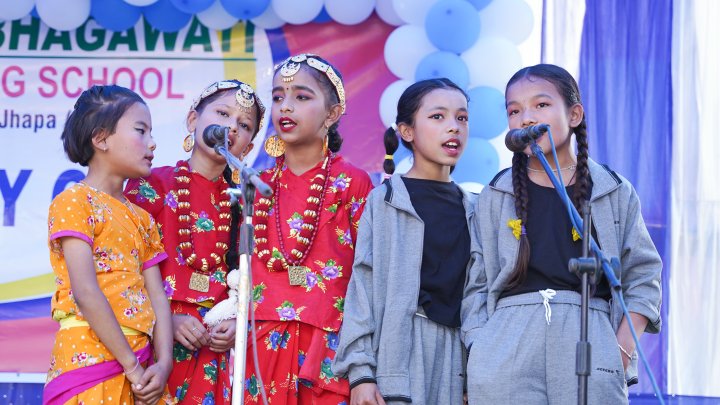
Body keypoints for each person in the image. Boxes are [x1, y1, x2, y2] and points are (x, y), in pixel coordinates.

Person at [462, 64, 662, 404]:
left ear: (574, 114)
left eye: (541, 104)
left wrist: (620, 350)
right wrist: (482, 346)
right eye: (514, 110)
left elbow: (643, 275)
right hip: (506, 343)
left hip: (590, 335)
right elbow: (476, 284)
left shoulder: (612, 190)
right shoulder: (496, 194)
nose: (526, 118)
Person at [333, 78, 477, 405]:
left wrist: (477, 373)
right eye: (438, 116)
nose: (453, 127)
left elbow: (479, 298)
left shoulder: (475, 208)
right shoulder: (385, 201)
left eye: (462, 118)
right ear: (407, 131)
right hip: (397, 360)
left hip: (456, 365)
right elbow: (363, 287)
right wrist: (361, 373)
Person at [124, 80, 265, 404]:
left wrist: (237, 323)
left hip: (213, 355)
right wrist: (165, 322)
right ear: (192, 120)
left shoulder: (246, 202)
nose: (232, 127)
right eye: (222, 114)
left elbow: (257, 281)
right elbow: (123, 272)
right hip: (152, 347)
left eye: (244, 125)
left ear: (247, 147)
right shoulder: (151, 185)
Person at [244, 53, 373, 404]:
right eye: (277, 97)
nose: (285, 107)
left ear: (332, 114)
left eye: (301, 96)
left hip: (328, 346)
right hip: (262, 345)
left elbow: (369, 275)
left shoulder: (353, 183)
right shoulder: (256, 184)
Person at [44, 85, 173, 405]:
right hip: (89, 357)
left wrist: (164, 365)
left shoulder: (142, 218)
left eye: (151, 133)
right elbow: (85, 292)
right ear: (101, 139)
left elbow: (157, 297)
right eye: (141, 131)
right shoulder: (75, 201)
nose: (152, 143)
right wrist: (132, 367)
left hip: (142, 368)